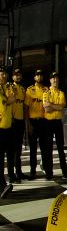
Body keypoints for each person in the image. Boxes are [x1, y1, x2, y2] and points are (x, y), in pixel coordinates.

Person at [39, 71, 67, 180]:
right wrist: (54, 106)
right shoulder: (46, 93)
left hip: (57, 122)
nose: (55, 80)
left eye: (57, 78)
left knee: (61, 148)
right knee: (48, 149)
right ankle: (49, 173)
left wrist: (52, 105)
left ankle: (65, 172)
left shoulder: (61, 93)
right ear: (50, 80)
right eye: (53, 78)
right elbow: (46, 109)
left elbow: (61, 107)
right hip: (48, 123)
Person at [24, 69, 47, 180]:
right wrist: (28, 124)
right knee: (33, 149)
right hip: (33, 121)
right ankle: (33, 171)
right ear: (34, 78)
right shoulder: (29, 90)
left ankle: (47, 170)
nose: (39, 77)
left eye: (40, 75)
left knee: (44, 148)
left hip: (43, 121)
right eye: (37, 75)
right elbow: (26, 108)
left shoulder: (46, 89)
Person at [6, 67, 26, 181]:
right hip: (12, 121)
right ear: (12, 76)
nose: (18, 76)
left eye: (19, 74)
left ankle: (18, 171)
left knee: (18, 149)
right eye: (16, 75)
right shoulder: (10, 87)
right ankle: (11, 174)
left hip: (20, 120)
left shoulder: (22, 89)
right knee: (11, 149)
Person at [0, 67, 12, 197]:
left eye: (4, 74)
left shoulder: (4, 88)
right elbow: (5, 103)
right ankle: (1, 187)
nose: (4, 76)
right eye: (2, 73)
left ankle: (2, 185)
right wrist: (9, 100)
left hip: (6, 129)